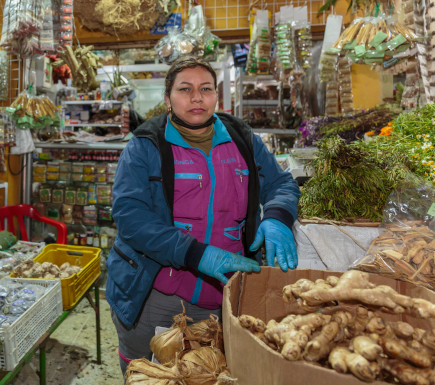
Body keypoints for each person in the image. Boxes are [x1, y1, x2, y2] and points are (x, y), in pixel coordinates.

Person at [107, 58, 300, 374]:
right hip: (157, 295)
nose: (197, 98)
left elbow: (280, 183)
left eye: (205, 89)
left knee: (212, 373)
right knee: (151, 374)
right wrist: (195, 253)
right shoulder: (145, 145)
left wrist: (277, 216)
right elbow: (131, 217)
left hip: (225, 294)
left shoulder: (243, 140)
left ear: (216, 97)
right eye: (185, 89)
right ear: (168, 99)